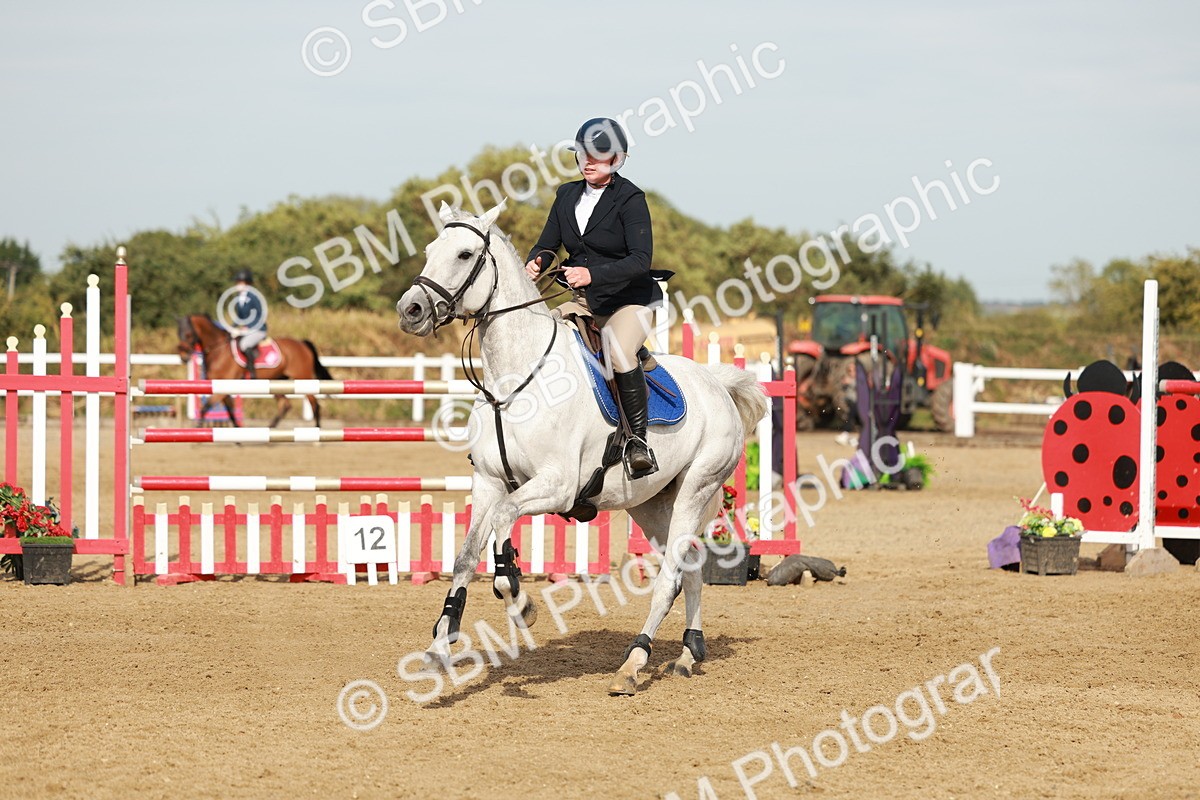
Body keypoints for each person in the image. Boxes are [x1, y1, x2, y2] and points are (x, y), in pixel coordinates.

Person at [525, 117, 672, 479]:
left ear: (617, 160)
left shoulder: (630, 199)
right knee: (539, 338)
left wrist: (592, 274)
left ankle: (638, 442)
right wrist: (537, 261)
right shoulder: (566, 195)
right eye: (582, 154)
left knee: (619, 354)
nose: (587, 161)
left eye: (597, 156)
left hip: (628, 300)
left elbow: (641, 260)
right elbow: (548, 243)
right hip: (582, 300)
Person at [228, 269, 267, 378]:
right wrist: (231, 328)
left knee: (244, 344)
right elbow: (240, 317)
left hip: (258, 329)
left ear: (247, 283)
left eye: (240, 282)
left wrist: (248, 327)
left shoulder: (254, 296)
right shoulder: (238, 298)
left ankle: (251, 372)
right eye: (237, 282)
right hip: (246, 329)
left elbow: (260, 315)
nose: (238, 285)